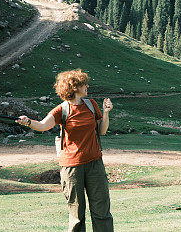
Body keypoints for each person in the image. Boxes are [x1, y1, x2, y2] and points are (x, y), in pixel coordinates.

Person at [17, 69, 114, 232]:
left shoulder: (92, 105)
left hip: (95, 163)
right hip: (71, 167)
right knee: (77, 215)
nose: (87, 86)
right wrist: (28, 122)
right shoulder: (62, 109)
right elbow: (42, 125)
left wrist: (106, 113)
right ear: (74, 87)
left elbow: (102, 131)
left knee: (102, 211)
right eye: (84, 84)